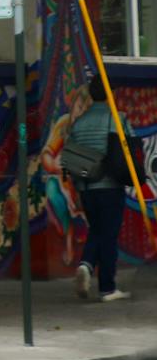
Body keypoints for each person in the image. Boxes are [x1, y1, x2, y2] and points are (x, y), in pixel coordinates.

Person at [68, 76, 138, 302]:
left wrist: (79, 189)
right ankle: (107, 288)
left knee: (97, 230)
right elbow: (133, 148)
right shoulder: (117, 120)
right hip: (110, 186)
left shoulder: (78, 123)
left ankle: (86, 265)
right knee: (108, 235)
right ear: (110, 94)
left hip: (87, 187)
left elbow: (73, 160)